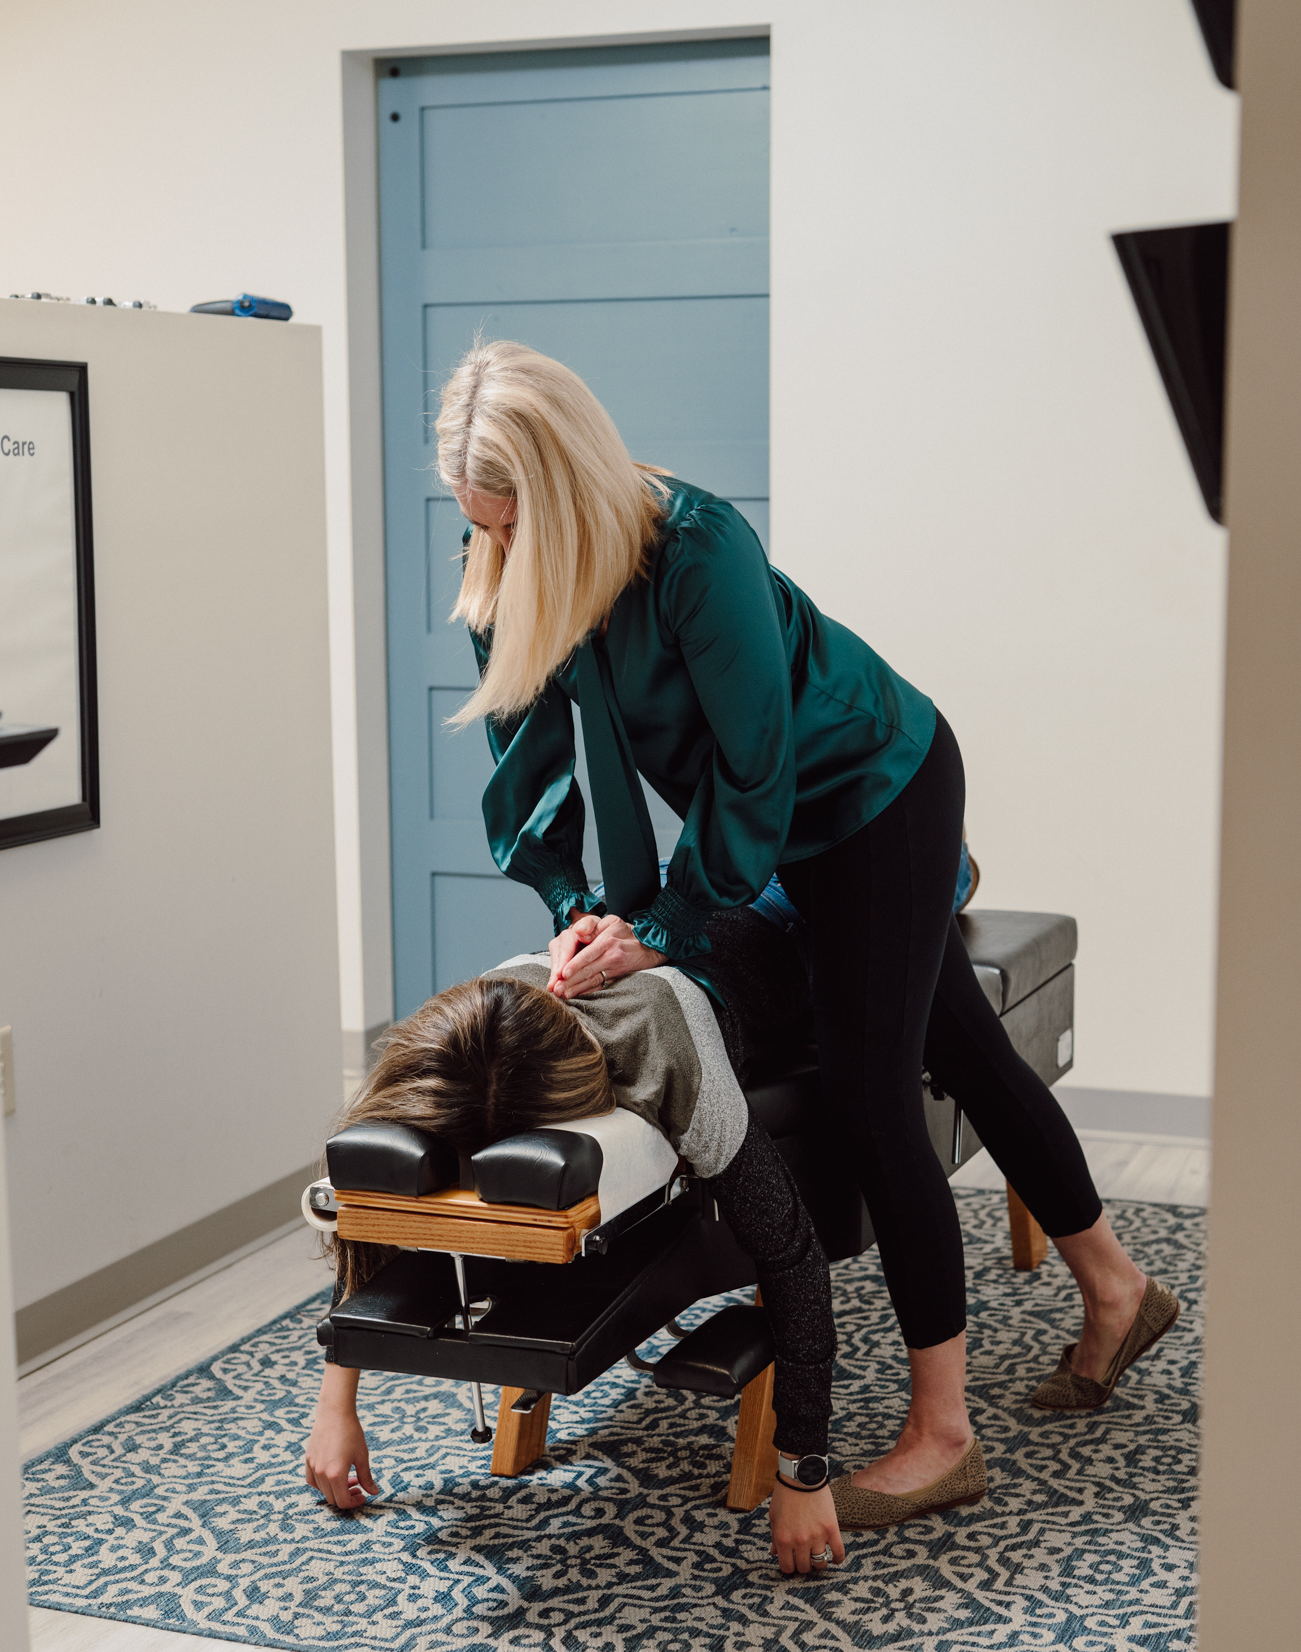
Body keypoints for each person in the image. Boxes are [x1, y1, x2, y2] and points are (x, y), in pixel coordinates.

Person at [423, 338, 1180, 1577]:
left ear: (564, 492)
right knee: (961, 1043)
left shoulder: (694, 546)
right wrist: (574, 903)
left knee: (873, 1090)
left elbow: (755, 768)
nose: (492, 548)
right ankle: (1114, 1286)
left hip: (872, 789)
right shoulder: (504, 555)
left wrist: (663, 924)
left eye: (509, 523)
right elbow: (526, 763)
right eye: (477, 525)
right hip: (776, 819)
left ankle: (943, 1433)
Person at [305, 903, 841, 1546]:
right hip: (652, 900)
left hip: (775, 928)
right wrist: (334, 1406)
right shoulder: (458, 1041)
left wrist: (803, 1474)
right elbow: (372, 1214)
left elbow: (792, 1253)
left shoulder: (667, 1047)